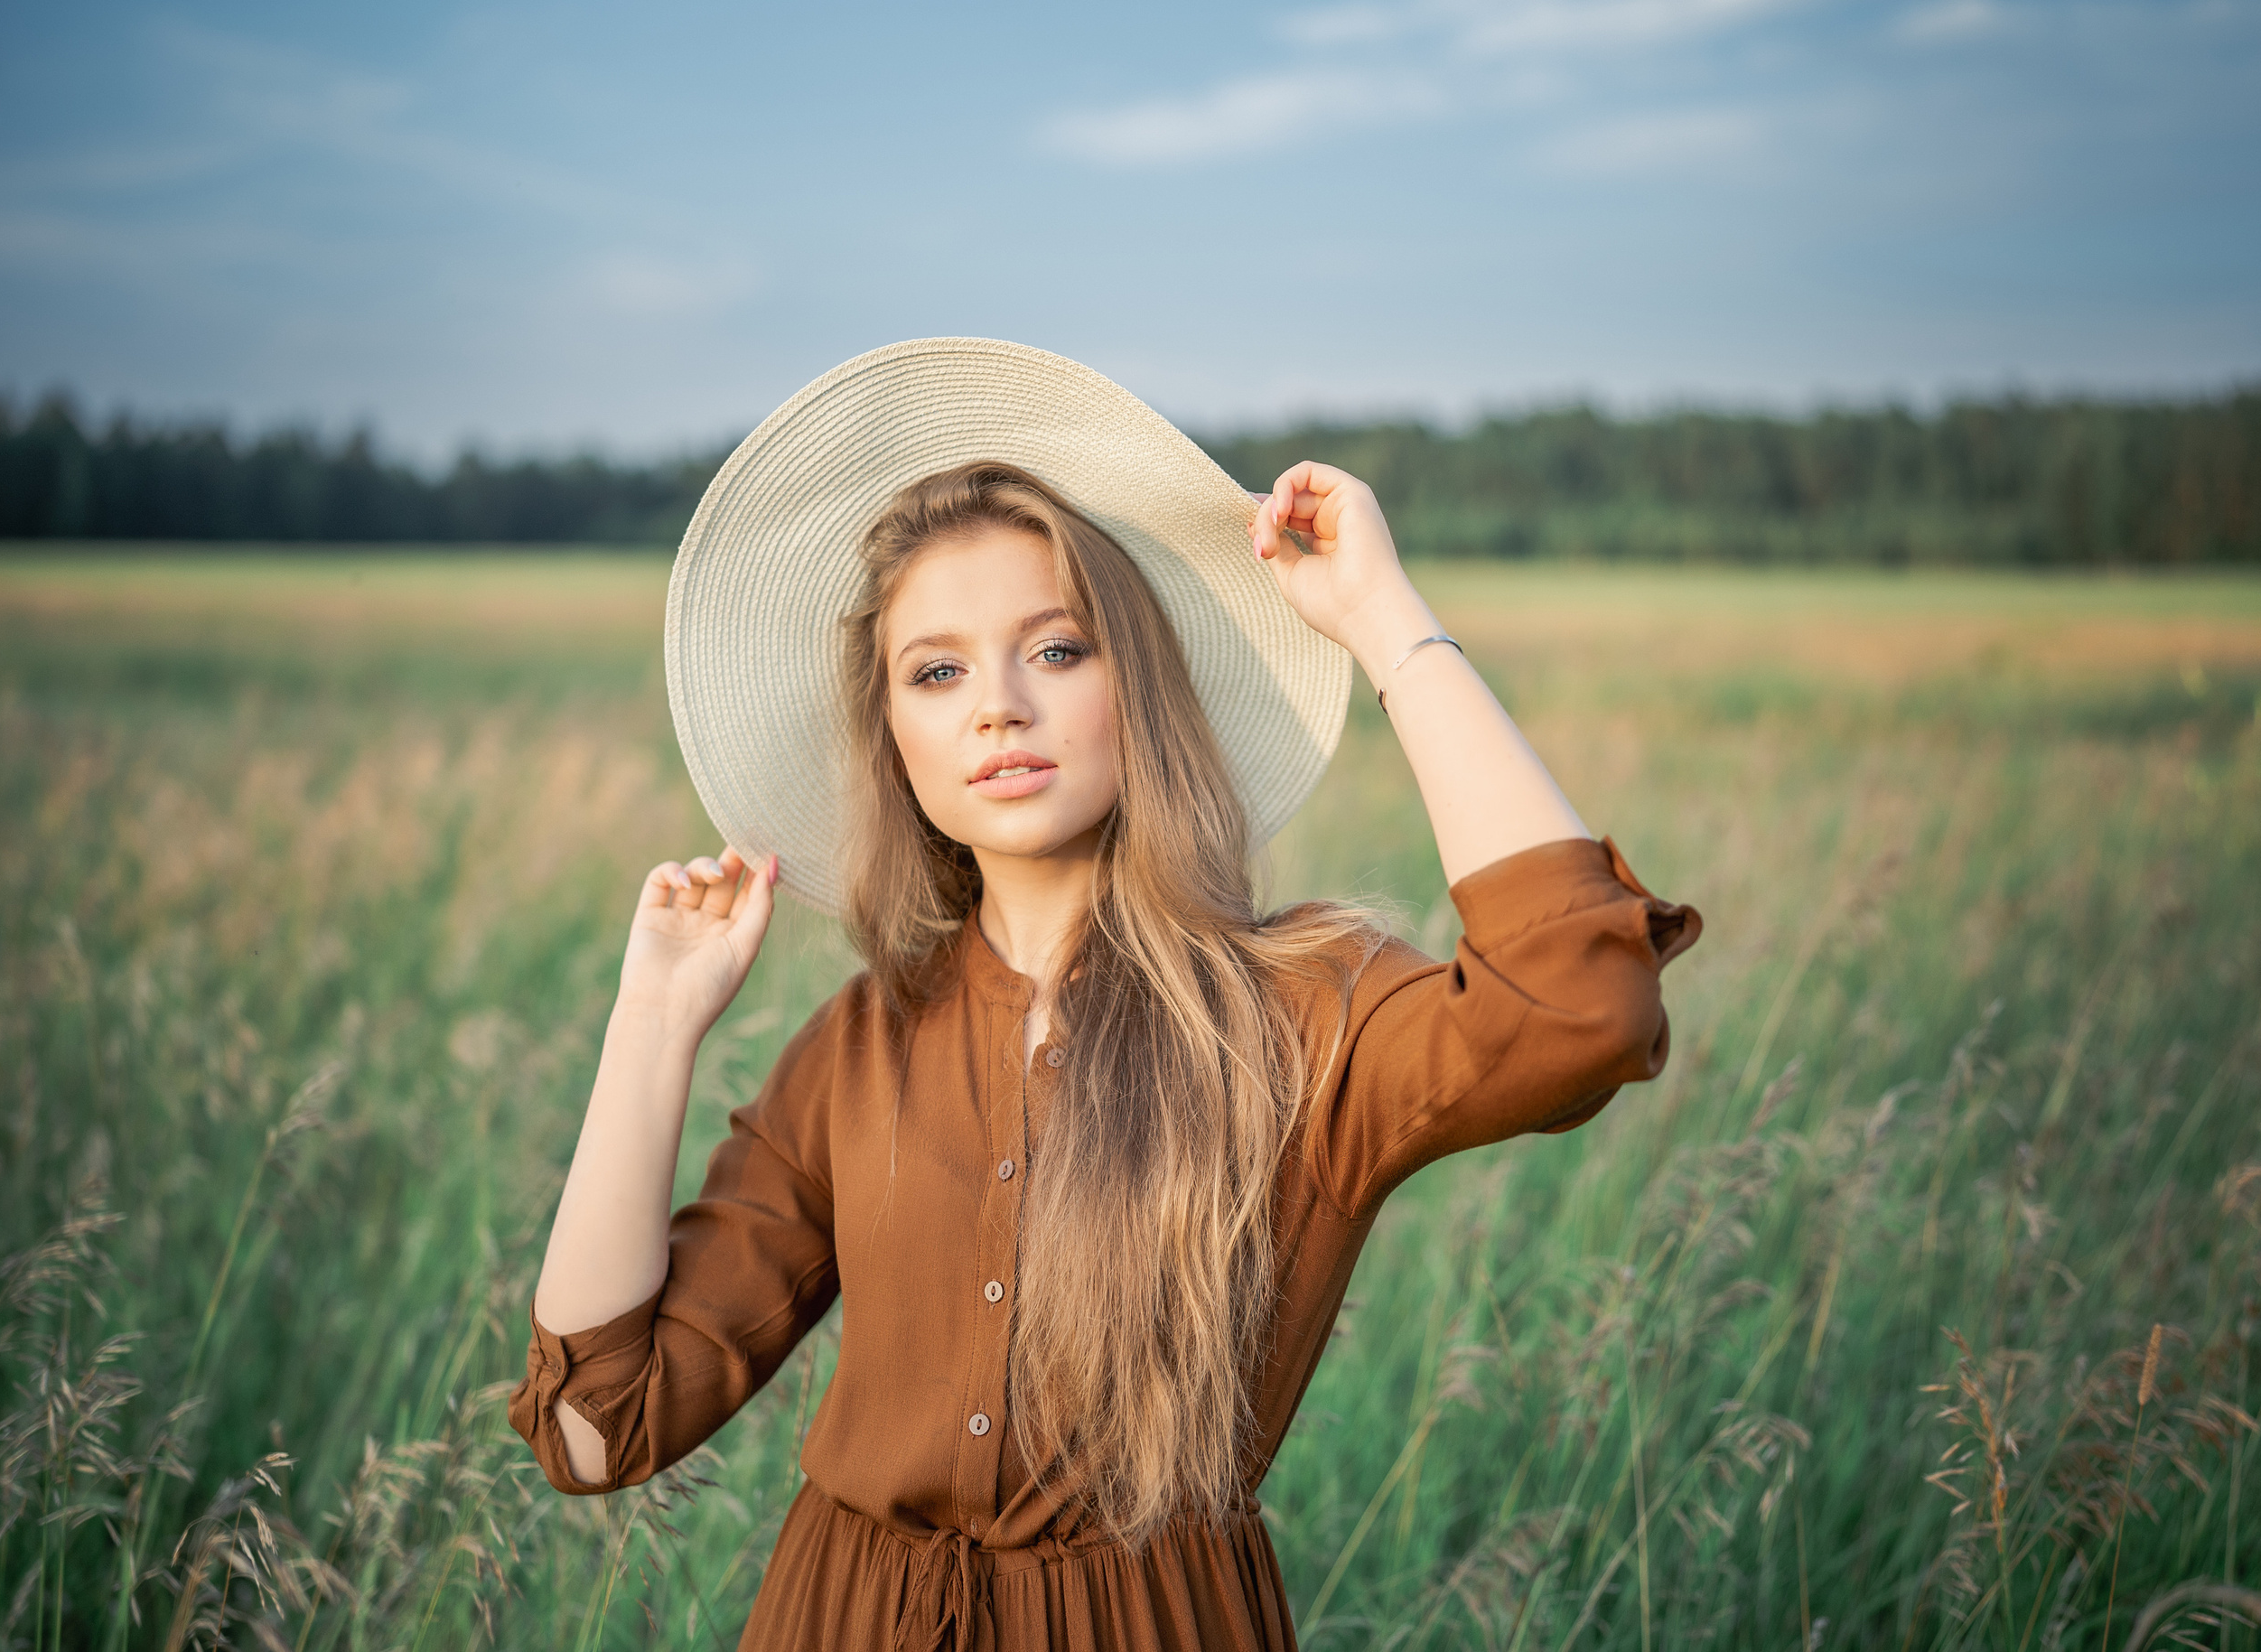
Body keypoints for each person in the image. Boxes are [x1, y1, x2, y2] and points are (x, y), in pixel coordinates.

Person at [509, 339, 1703, 1650]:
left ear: (1142, 687)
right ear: (895, 740)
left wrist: (1382, 620)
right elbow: (594, 1424)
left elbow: (1581, 1008)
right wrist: (653, 1026)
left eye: (1059, 649)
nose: (1000, 709)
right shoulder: (855, 1049)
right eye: (939, 670)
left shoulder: (1299, 1015)